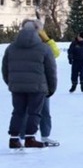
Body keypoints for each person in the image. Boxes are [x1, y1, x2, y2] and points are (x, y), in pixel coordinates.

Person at [4, 19, 57, 149]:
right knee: (34, 113)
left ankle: (14, 139)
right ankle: (30, 138)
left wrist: (11, 83)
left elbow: (5, 69)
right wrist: (51, 88)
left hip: (17, 87)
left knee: (18, 112)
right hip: (38, 87)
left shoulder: (11, 47)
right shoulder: (44, 48)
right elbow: (51, 70)